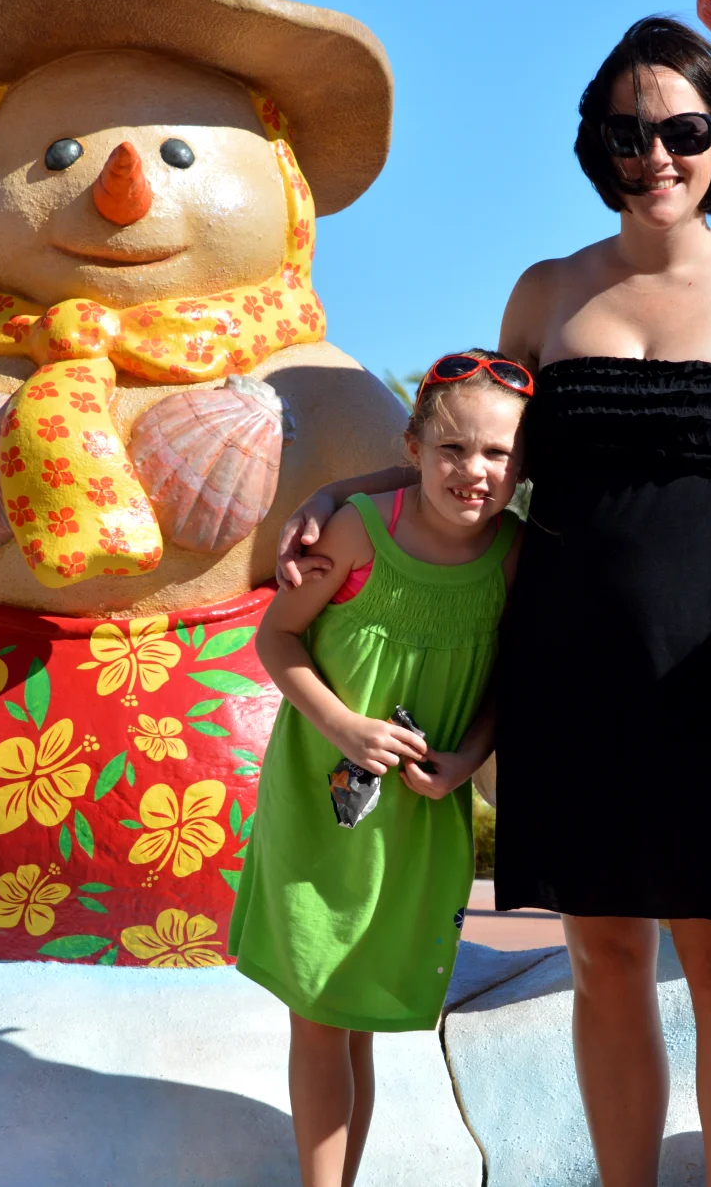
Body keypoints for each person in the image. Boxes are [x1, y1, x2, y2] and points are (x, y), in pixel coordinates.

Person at [276, 17, 711, 1186]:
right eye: (629, 134)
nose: (656, 156)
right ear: (599, 144)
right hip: (567, 670)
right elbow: (484, 456)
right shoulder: (547, 291)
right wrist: (348, 488)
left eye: (682, 129)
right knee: (604, 960)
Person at [229, 350, 528, 1187]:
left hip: (417, 821)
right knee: (319, 1015)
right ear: (414, 448)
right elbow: (277, 636)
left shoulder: (514, 553)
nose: (474, 470)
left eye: (498, 453)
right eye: (453, 448)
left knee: (352, 1012)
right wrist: (344, 724)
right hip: (316, 808)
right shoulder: (362, 527)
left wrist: (468, 758)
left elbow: (506, 679)